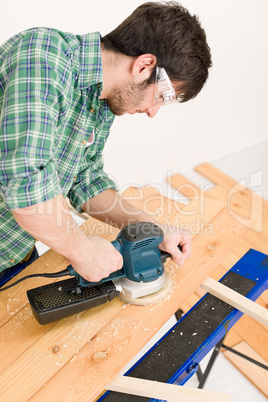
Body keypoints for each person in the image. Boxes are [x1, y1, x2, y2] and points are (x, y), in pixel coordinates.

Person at [0, 1, 212, 283]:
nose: (153, 112)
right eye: (162, 97)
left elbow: (85, 180)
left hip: (16, 256)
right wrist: (82, 249)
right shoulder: (44, 57)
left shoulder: (102, 99)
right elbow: (26, 183)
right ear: (145, 65)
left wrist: (152, 229)